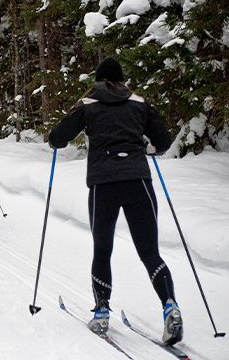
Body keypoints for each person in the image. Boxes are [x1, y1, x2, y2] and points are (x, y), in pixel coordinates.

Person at [48, 57, 183, 345]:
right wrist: (150, 147)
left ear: (98, 80)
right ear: (121, 80)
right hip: (138, 181)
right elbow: (164, 140)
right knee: (149, 251)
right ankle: (170, 305)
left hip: (103, 184)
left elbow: (57, 137)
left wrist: (58, 139)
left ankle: (101, 311)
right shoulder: (138, 102)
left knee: (103, 248)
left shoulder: (88, 103)